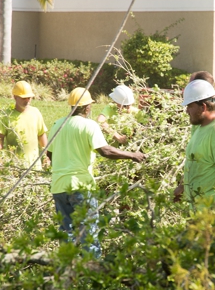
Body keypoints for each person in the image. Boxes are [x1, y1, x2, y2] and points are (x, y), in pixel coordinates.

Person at [47, 87, 146, 254]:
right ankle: (91, 275)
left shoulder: (58, 124)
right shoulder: (89, 125)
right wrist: (132, 155)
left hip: (58, 187)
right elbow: (105, 151)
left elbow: (49, 153)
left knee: (67, 235)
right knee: (89, 235)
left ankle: (66, 273)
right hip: (81, 186)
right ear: (87, 107)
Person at [173, 79, 215, 214]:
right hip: (200, 215)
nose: (187, 111)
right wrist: (182, 186)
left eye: (190, 106)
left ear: (203, 107)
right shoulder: (200, 129)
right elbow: (194, 161)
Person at [0, 81, 48, 170]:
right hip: (15, 166)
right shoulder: (6, 115)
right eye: (24, 98)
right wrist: (0, 158)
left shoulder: (35, 113)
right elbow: (0, 138)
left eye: (29, 98)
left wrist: (46, 156)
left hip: (34, 166)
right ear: (15, 97)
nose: (27, 100)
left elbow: (41, 135)